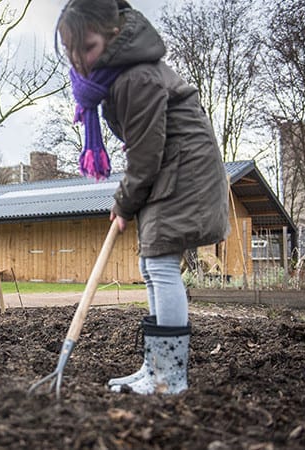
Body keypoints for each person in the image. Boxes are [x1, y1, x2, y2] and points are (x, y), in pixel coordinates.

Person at [56, 0, 229, 394]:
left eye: (88, 47)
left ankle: (169, 376)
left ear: (114, 34)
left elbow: (146, 154)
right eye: (71, 50)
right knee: (153, 266)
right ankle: (155, 367)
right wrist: (128, 200)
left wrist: (123, 201)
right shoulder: (119, 75)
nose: (79, 60)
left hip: (183, 172)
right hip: (170, 169)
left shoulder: (136, 78)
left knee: (160, 264)